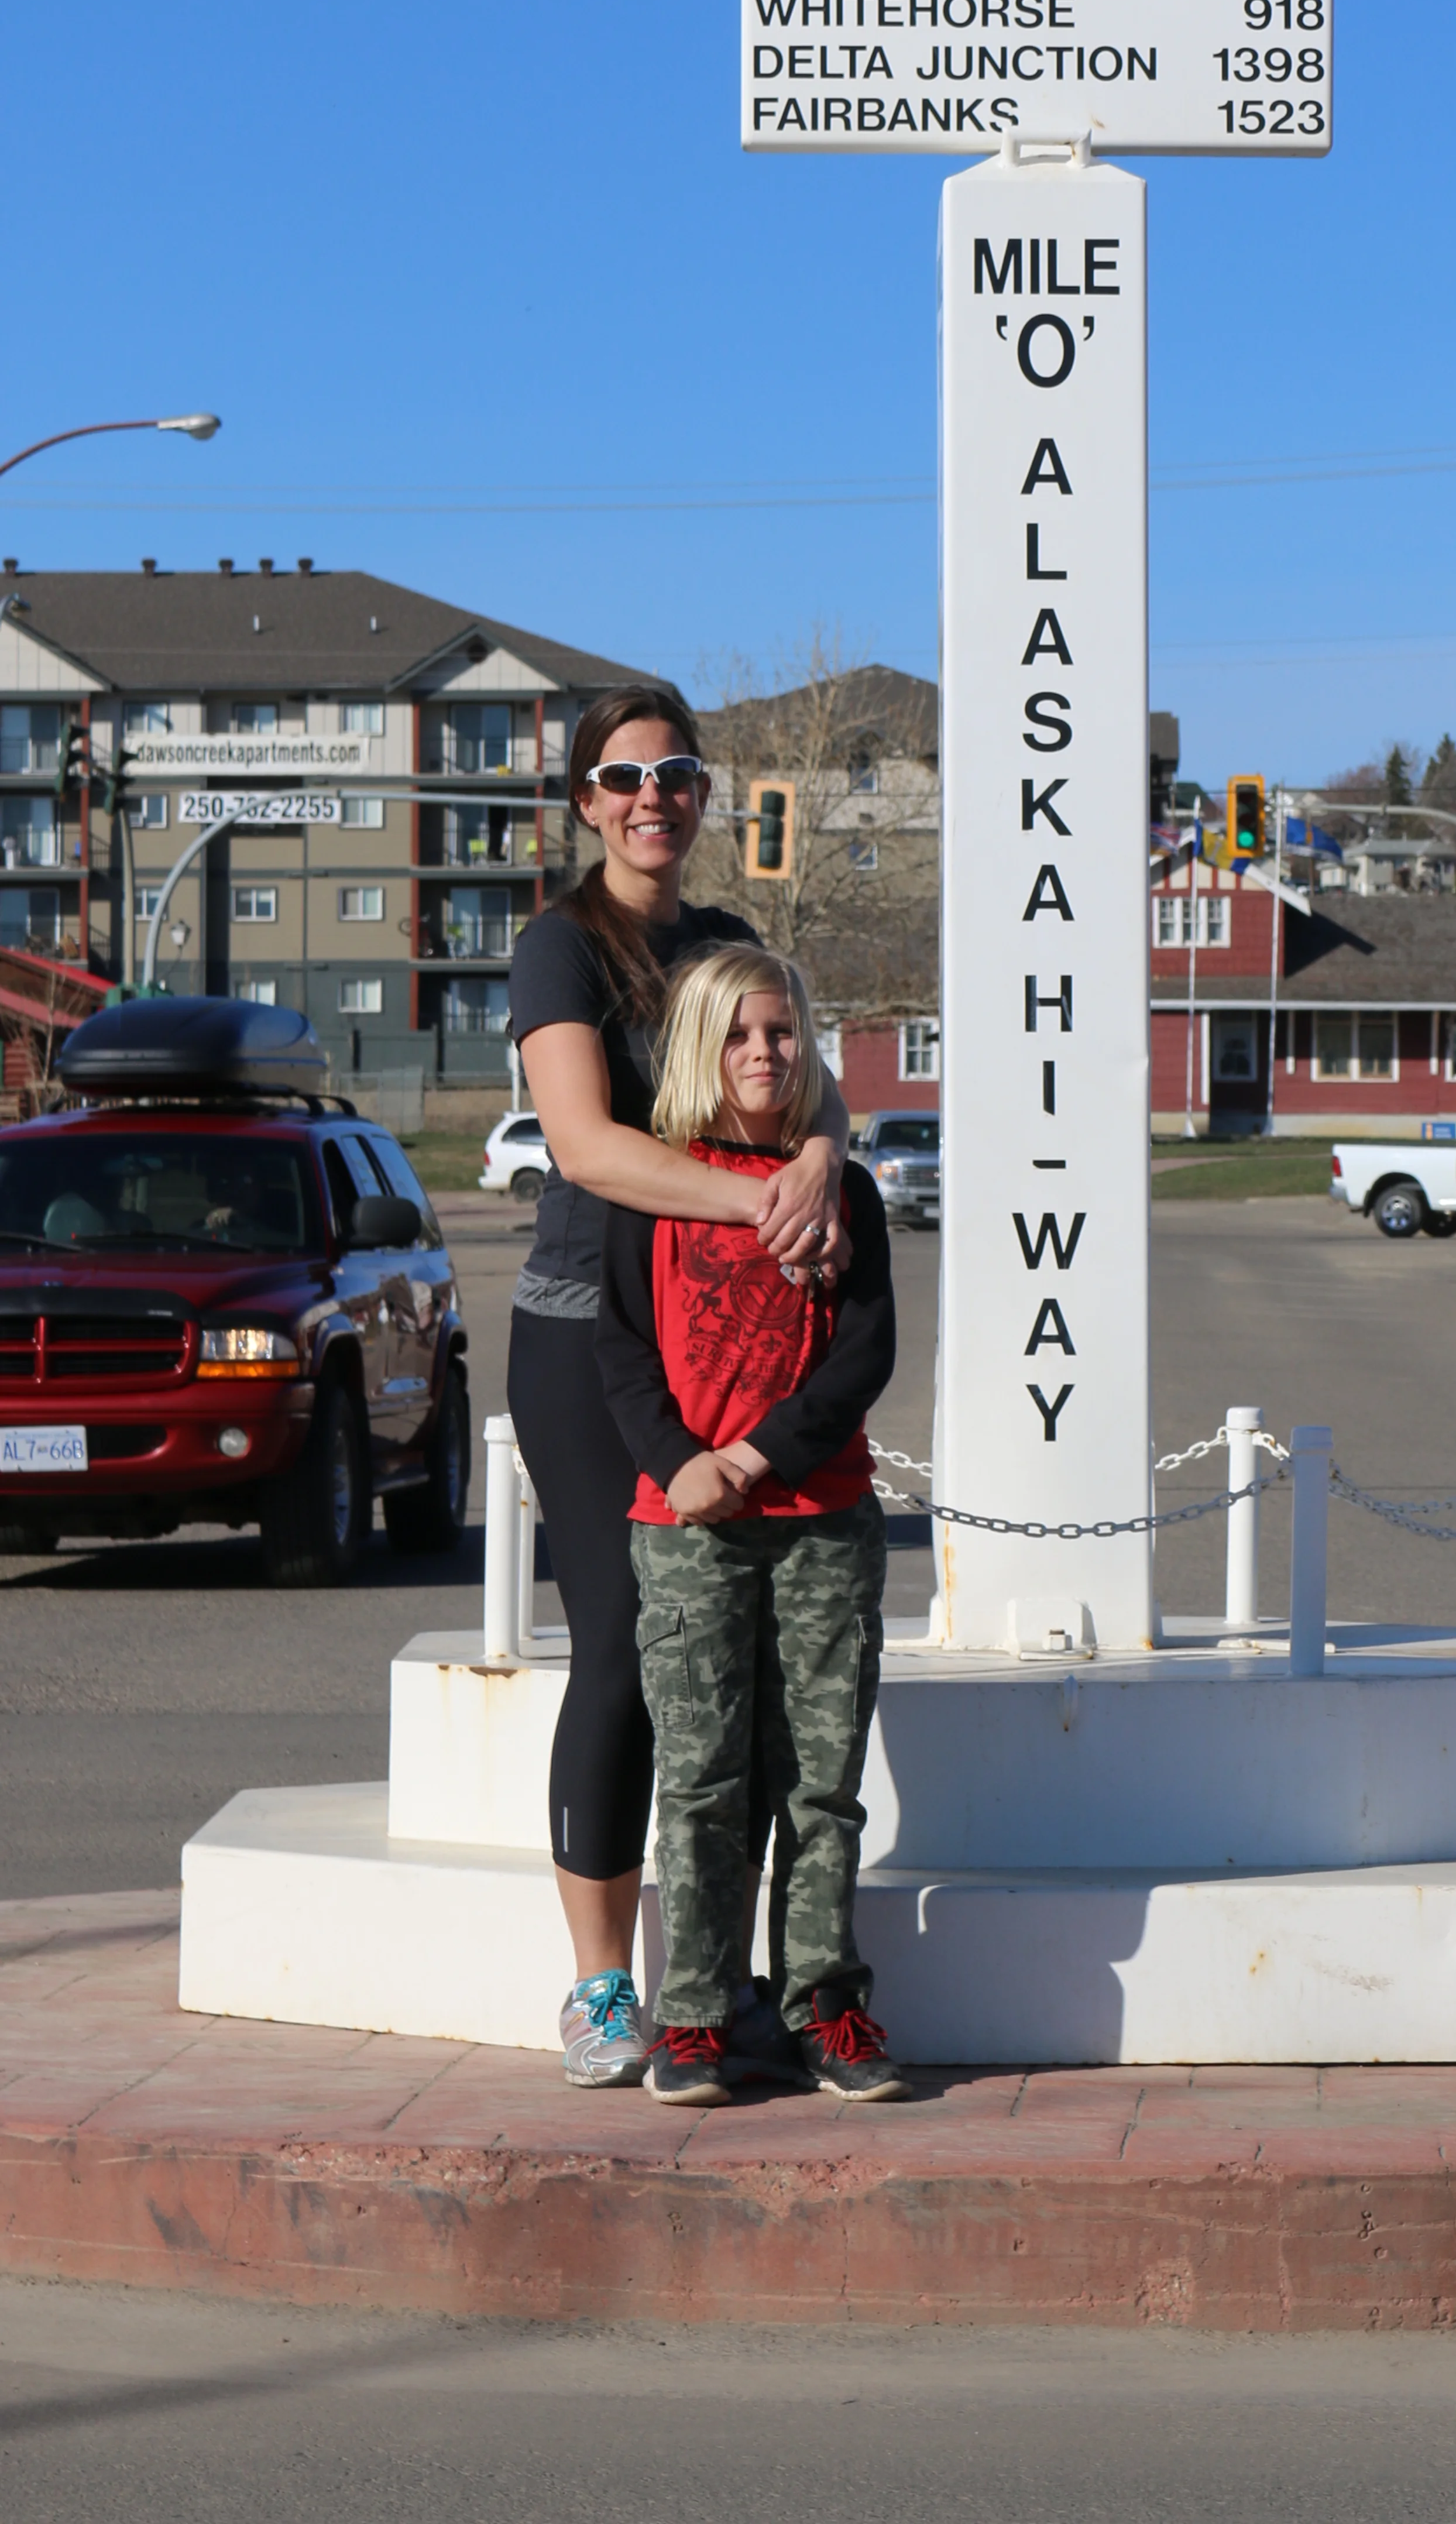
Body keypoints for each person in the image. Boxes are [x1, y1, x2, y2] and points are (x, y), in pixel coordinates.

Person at [507, 684, 850, 2089]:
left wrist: (823, 1157)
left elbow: (803, 1091)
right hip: (593, 1337)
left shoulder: (728, 946)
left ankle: (719, 1981)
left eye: (679, 775)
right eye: (624, 777)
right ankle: (601, 1988)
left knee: (743, 1679)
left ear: (706, 797)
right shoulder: (558, 948)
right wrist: (751, 1192)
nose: (654, 799)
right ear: (586, 800)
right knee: (626, 1659)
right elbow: (586, 1147)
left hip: (729, 1339)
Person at [596, 943, 906, 2106]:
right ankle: (696, 2014)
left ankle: (825, 2003)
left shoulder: (845, 1196)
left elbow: (864, 1352)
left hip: (823, 1522)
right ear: (698, 1050)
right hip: (687, 1533)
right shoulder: (655, 1189)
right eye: (736, 1034)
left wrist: (759, 1454)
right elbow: (618, 1350)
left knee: (819, 1782)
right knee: (702, 1779)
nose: (762, 1054)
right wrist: (681, 1464)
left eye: (779, 1032)